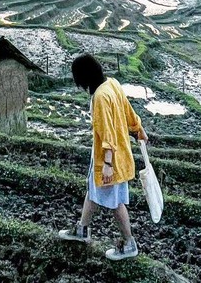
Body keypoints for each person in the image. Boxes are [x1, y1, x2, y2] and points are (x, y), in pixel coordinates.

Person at [58, 53, 148, 261]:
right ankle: (82, 229)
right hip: (114, 153)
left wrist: (107, 164)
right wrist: (138, 128)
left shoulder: (99, 96)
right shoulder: (112, 84)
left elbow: (106, 132)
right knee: (93, 189)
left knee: (115, 202)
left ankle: (129, 243)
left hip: (110, 158)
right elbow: (128, 109)